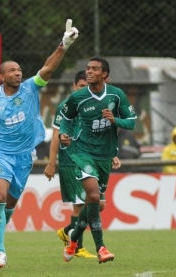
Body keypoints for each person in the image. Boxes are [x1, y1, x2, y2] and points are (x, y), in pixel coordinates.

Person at [0, 19, 79, 269]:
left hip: (25, 156)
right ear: (2, 76)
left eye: (19, 70)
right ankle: (1, 252)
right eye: (13, 70)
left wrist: (64, 45)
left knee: (9, 208)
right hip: (1, 155)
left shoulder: (29, 89)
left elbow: (47, 68)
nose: (18, 73)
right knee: (0, 197)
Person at [59, 56, 137, 264]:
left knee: (97, 203)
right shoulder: (78, 98)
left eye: (94, 69)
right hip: (81, 152)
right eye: (87, 68)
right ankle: (101, 247)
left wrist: (114, 119)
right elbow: (65, 121)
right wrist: (62, 135)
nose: (89, 72)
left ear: (104, 74)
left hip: (104, 155)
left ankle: (74, 238)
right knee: (92, 195)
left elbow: (131, 123)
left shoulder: (116, 95)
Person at [44, 71, 121, 258]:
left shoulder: (95, 105)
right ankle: (78, 247)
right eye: (80, 86)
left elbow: (102, 132)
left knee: (98, 203)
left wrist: (111, 153)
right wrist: (51, 162)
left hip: (92, 158)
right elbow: (56, 135)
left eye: (85, 87)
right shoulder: (66, 106)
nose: (83, 90)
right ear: (73, 86)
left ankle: (70, 232)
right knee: (81, 204)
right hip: (70, 160)